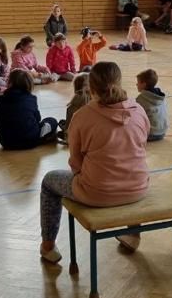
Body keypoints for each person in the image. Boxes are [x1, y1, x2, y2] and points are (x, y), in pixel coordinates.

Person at [39, 62, 150, 261]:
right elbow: (141, 145)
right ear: (119, 82)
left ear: (91, 88)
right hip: (138, 187)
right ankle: (133, 235)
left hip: (97, 192)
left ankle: (48, 247)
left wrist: (89, 178)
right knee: (131, 167)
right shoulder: (139, 110)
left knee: (49, 181)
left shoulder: (82, 116)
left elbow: (75, 162)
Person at [0, 69, 59, 150]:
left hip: (6, 142)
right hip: (30, 141)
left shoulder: (0, 99)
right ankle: (45, 137)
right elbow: (37, 119)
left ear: (9, 82)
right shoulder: (31, 98)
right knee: (52, 121)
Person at [136, 69, 168, 141]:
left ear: (144, 84)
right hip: (163, 132)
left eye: (138, 82)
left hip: (151, 134)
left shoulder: (141, 99)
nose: (136, 84)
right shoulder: (161, 97)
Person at [59, 73, 90, 142]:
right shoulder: (95, 101)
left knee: (61, 122)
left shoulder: (74, 101)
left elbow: (69, 123)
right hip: (90, 134)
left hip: (76, 135)